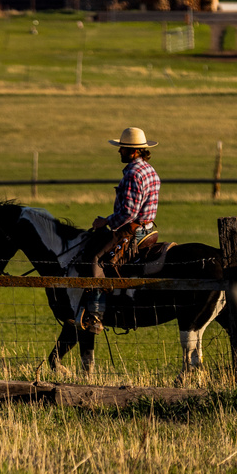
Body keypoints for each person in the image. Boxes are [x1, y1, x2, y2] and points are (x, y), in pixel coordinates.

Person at [83, 126, 160, 337]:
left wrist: (105, 222)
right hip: (149, 229)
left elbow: (128, 213)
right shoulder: (150, 170)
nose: (119, 151)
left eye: (123, 148)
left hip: (130, 231)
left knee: (96, 258)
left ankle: (96, 315)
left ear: (134, 151)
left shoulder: (133, 174)